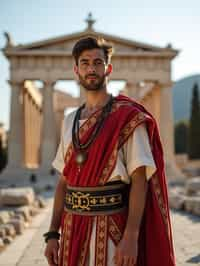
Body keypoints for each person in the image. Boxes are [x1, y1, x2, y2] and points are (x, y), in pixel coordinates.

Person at [44, 37, 176, 266]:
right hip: (72, 230)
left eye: (97, 62)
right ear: (76, 70)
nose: (91, 69)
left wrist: (132, 236)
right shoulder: (69, 122)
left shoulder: (128, 117)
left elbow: (139, 179)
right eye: (84, 63)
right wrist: (53, 234)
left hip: (113, 230)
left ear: (108, 68)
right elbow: (64, 182)